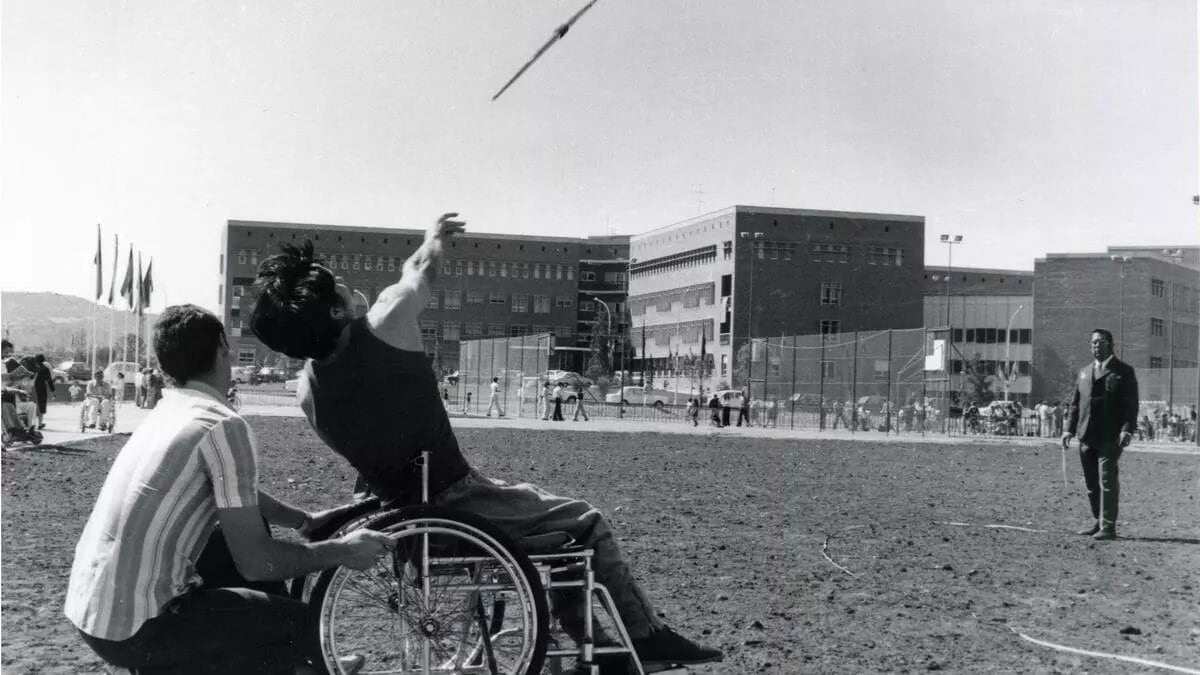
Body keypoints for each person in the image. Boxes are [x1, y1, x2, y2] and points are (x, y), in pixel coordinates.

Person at [249, 215, 722, 673]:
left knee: (542, 507)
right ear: (334, 310)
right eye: (339, 285)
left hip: (403, 524)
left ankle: (592, 644)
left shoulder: (306, 393)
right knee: (585, 520)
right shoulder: (387, 320)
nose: (350, 285)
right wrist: (434, 236)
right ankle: (640, 638)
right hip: (458, 503)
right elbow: (420, 269)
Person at [64, 304, 393, 674]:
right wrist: (343, 550)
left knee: (232, 541)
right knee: (301, 625)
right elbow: (258, 563)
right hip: (140, 629)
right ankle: (304, 660)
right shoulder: (222, 425)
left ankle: (303, 655)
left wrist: (301, 521)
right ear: (223, 348)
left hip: (91, 610)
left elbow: (234, 493)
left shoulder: (171, 409)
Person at [1062, 328, 1138, 541]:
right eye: (1093, 343)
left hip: (1110, 437)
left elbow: (1131, 405)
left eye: (1100, 342)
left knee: (1107, 480)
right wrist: (1068, 429)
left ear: (1110, 344)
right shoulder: (1084, 372)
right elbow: (1075, 404)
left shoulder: (1123, 371)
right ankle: (1099, 520)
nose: (1096, 346)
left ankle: (1109, 527)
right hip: (1086, 436)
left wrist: (1127, 430)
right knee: (1091, 483)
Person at [31, 354, 55, 430]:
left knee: (32, 405)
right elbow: (49, 380)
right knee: (41, 404)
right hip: (41, 387)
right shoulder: (45, 369)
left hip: (31, 388)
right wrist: (53, 390)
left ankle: (31, 423)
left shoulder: (32, 368)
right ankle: (40, 424)